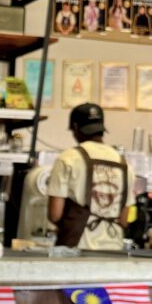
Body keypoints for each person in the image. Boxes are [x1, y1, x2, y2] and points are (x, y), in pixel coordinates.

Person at [47, 103, 135, 250]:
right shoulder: (125, 164)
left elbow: (55, 214)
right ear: (101, 128)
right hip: (114, 249)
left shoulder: (67, 159)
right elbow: (124, 220)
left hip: (76, 247)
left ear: (75, 127)